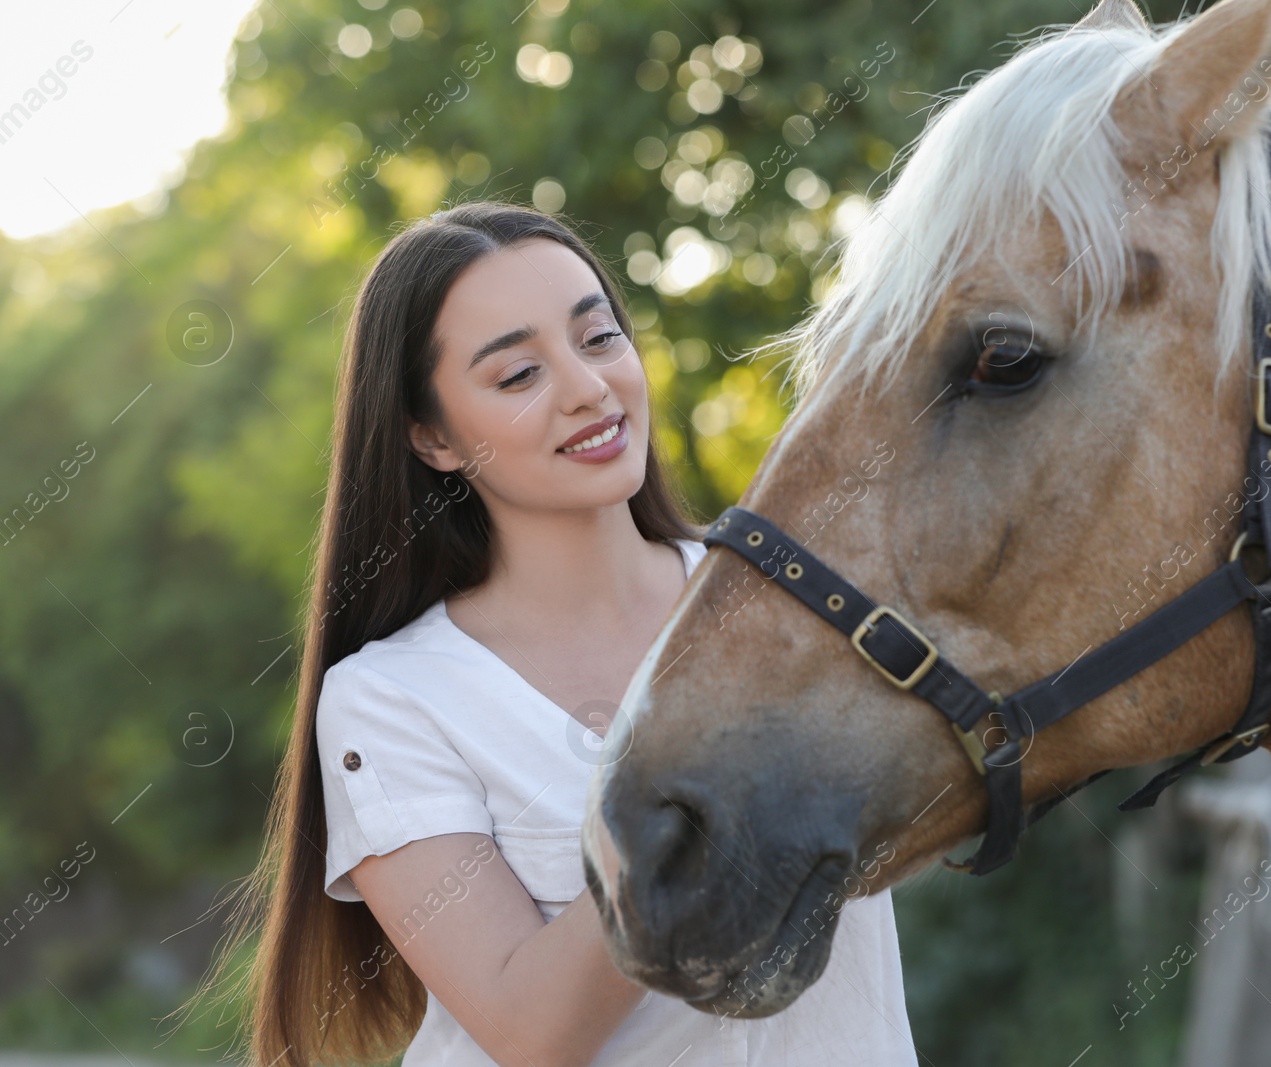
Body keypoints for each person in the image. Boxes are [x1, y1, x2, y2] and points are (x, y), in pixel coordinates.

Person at [211, 203, 918, 1067]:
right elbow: (528, 1027)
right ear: (432, 436)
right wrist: (703, 789)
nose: (588, 388)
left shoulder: (793, 597)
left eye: (599, 338)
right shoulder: (390, 699)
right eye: (518, 375)